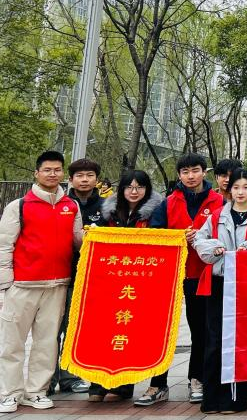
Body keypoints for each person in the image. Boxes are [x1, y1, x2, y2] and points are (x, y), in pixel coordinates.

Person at [0, 151, 84, 413]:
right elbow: (4, 246)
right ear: (36, 173)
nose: (52, 174)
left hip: (57, 285)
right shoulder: (19, 206)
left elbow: (79, 241)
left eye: (57, 170)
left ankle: (36, 391)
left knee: (47, 342)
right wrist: (5, 285)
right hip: (22, 285)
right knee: (12, 343)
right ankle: (9, 393)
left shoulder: (71, 206)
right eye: (47, 170)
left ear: (63, 174)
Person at [193, 169, 247, 414]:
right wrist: (215, 248)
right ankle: (211, 399)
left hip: (246, 287)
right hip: (219, 283)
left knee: (240, 342)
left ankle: (234, 400)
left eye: (245, 187)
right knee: (214, 340)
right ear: (229, 190)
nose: (240, 192)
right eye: (236, 187)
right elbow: (199, 241)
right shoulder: (217, 216)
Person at [149, 153, 224, 405]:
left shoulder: (218, 202)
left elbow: (226, 234)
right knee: (161, 331)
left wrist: (202, 239)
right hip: (171, 275)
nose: (190, 176)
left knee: (200, 330)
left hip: (203, 275)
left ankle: (196, 379)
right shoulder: (168, 202)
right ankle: (157, 384)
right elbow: (155, 234)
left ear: (204, 172)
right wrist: (179, 236)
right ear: (179, 175)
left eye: (195, 170)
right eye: (185, 172)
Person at [92, 170, 169, 406]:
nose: (134, 192)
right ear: (122, 189)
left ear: (147, 189)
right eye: (129, 187)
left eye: (139, 187)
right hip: (113, 280)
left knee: (142, 332)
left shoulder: (157, 211)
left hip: (146, 280)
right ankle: (103, 382)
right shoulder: (109, 212)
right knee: (111, 329)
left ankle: (138, 384)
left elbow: (162, 240)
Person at [50, 157, 103, 396]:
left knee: (76, 329)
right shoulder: (60, 204)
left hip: (92, 278)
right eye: (79, 176)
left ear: (96, 179)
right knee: (52, 330)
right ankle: (47, 380)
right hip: (60, 275)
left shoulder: (107, 207)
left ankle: (69, 377)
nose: (84, 180)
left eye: (89, 175)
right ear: (70, 179)